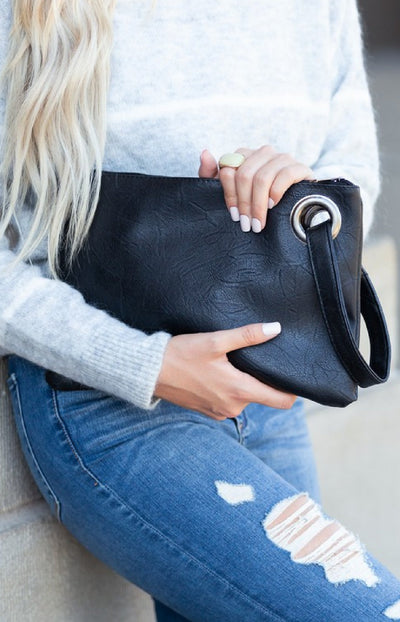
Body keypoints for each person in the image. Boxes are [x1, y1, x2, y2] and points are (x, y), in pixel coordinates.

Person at [1, 1, 400, 620]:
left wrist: (304, 196)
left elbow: (351, 172)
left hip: (272, 389)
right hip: (109, 397)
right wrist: (146, 363)